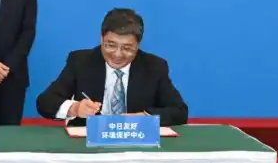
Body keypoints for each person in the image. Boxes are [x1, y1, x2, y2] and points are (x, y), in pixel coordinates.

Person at [35, 8, 188, 127]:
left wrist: (145, 117)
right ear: (101, 38)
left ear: (138, 45)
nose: (117, 54)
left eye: (127, 48)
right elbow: (45, 102)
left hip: (136, 143)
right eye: (111, 45)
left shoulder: (154, 66)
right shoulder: (81, 61)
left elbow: (179, 111)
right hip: (87, 143)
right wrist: (74, 108)